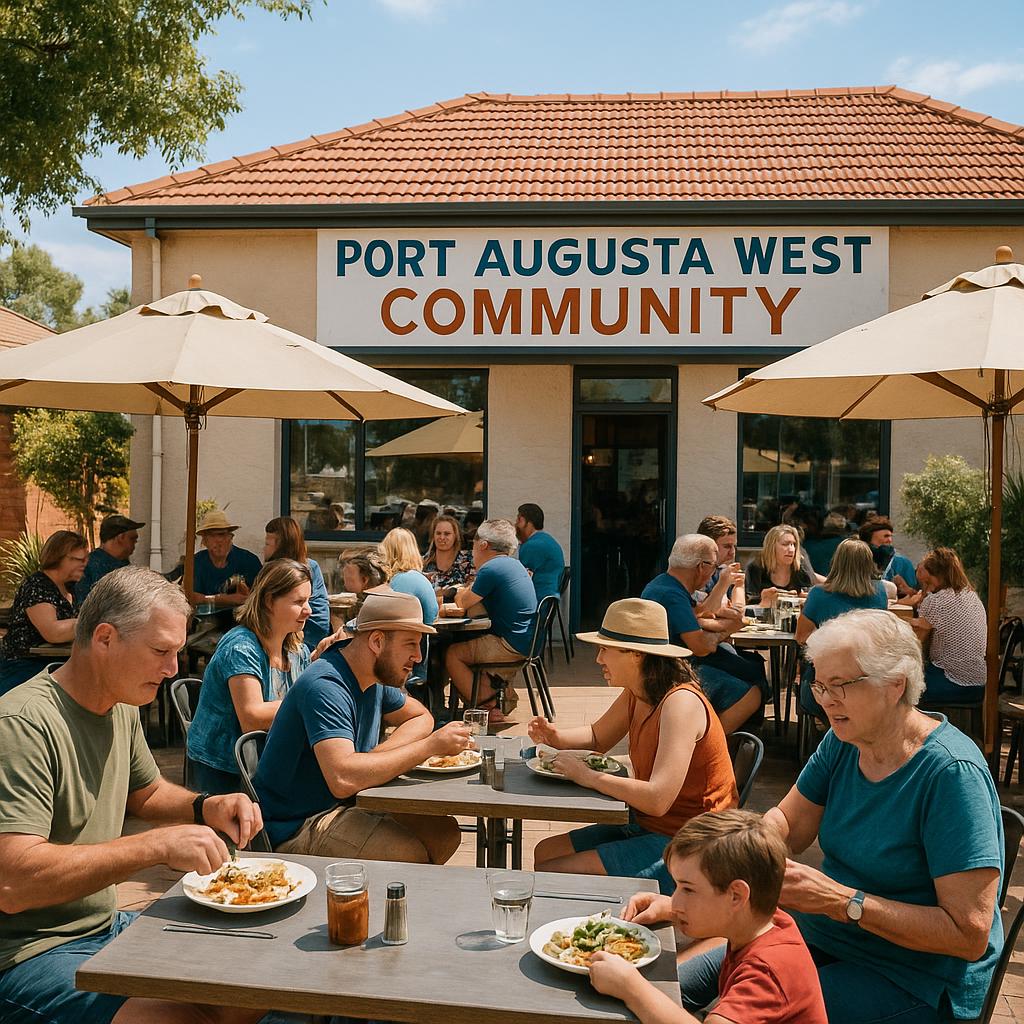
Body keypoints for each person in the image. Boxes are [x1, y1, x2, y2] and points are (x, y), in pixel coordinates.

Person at [678, 610, 1004, 1024]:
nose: (823, 699)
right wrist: (700, 881)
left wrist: (840, 901)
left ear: (894, 686)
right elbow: (787, 826)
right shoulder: (845, 740)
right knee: (667, 981)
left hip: (912, 977)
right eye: (819, 684)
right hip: (825, 937)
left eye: (840, 686)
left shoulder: (951, 775)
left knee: (730, 1013)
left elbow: (969, 934)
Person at [0, 566, 264, 1024]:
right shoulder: (21, 724)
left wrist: (205, 806)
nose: (172, 669)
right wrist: (155, 845)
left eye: (177, 652)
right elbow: (13, 883)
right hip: (27, 953)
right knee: (178, 1018)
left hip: (105, 925)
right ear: (104, 638)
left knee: (255, 984)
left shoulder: (119, 703)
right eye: (160, 650)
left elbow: (145, 792)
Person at [530, 598, 737, 893]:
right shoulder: (638, 692)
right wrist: (555, 737)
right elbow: (597, 736)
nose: (598, 659)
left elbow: (657, 798)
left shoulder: (680, 703)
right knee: (545, 853)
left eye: (604, 649)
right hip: (649, 824)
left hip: (694, 843)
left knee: (554, 874)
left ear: (635, 654)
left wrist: (588, 776)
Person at [253, 589, 471, 863]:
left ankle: (392, 899)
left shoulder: (372, 675)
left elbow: (421, 717)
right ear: (377, 641)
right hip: (295, 825)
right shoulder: (326, 686)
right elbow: (343, 779)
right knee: (408, 857)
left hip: (348, 804)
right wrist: (428, 747)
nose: (418, 657)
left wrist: (374, 759)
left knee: (444, 832)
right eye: (410, 644)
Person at [590, 810, 828, 1024]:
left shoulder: (767, 973)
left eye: (688, 889)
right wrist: (670, 909)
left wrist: (631, 988)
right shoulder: (767, 920)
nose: (676, 899)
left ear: (736, 896)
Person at [187, 559, 312, 794]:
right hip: (224, 772)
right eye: (298, 602)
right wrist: (311, 702)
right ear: (268, 602)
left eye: (308, 600)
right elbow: (252, 717)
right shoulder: (241, 647)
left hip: (266, 764)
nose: (309, 610)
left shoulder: (297, 650)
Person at [642, 535, 762, 734]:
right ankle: (705, 746)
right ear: (701, 567)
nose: (713, 572)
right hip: (670, 669)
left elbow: (699, 614)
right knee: (752, 694)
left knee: (751, 667)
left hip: (666, 662)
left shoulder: (664, 584)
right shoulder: (672, 595)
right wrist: (729, 629)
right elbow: (700, 647)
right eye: (714, 566)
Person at [444, 518, 538, 723]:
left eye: (474, 545)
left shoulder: (491, 568)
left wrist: (460, 591)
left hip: (509, 644)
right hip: (526, 641)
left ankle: (485, 703)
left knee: (452, 654)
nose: (472, 551)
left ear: (483, 544)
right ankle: (491, 698)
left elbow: (462, 603)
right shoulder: (514, 565)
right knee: (470, 645)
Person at [795, 538, 890, 721]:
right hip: (867, 682)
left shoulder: (819, 594)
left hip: (825, 685)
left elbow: (801, 636)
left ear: (836, 562)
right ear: (868, 564)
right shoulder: (879, 593)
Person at [0, 530, 86, 695]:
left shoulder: (71, 587)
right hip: (25, 667)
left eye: (85, 559)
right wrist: (90, 621)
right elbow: (53, 632)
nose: (84, 564)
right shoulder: (37, 585)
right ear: (58, 557)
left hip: (55, 663)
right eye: (78, 560)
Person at [911, 547, 986, 702]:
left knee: (900, 686)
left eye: (929, 582)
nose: (928, 587)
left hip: (953, 682)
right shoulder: (971, 595)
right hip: (979, 682)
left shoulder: (936, 601)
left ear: (938, 575)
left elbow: (916, 644)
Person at [264, 515, 331, 649]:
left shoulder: (281, 572)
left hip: (303, 640)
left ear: (280, 547)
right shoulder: (311, 565)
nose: (264, 549)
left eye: (267, 544)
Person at [187, 508, 262, 608]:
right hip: (204, 621)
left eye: (222, 535)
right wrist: (226, 599)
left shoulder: (249, 561)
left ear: (230, 537)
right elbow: (189, 596)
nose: (218, 541)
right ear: (204, 541)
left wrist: (205, 599)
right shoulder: (195, 562)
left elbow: (260, 597)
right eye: (212, 535)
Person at [378, 527, 439, 627]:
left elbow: (385, 617)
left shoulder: (399, 581)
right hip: (421, 635)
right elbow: (431, 615)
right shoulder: (419, 578)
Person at [76, 514, 145, 602]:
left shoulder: (124, 564)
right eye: (132, 539)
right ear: (121, 537)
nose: (135, 543)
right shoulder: (88, 565)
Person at [745, 524, 813, 607]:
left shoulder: (801, 568)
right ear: (772, 547)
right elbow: (750, 605)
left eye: (793, 545)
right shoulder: (756, 568)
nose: (791, 550)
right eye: (785, 544)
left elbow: (809, 595)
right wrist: (764, 602)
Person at [515, 502, 565, 600]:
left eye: (519, 519)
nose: (516, 524)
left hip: (537, 600)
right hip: (548, 598)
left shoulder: (532, 546)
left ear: (528, 522)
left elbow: (520, 580)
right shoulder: (546, 539)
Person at [859, 516, 919, 597]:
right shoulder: (857, 560)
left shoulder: (903, 563)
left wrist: (905, 589)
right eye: (886, 536)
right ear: (868, 540)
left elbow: (914, 596)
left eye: (891, 536)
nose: (890, 540)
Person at [423, 514, 474, 592]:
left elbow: (471, 591)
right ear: (433, 535)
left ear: (455, 536)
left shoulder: (468, 560)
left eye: (447, 534)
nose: (442, 537)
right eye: (438, 533)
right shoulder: (423, 562)